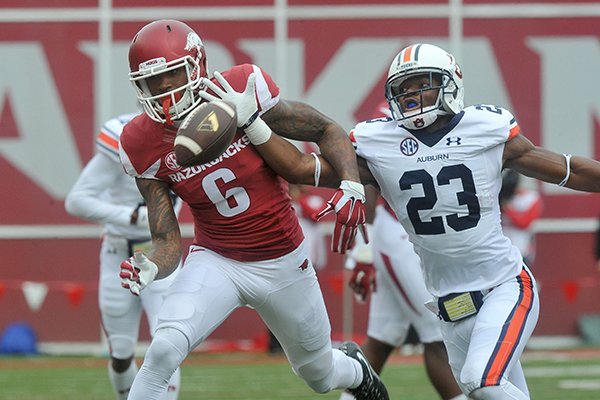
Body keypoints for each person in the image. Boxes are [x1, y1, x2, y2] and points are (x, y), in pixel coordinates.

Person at [250, 43, 600, 399]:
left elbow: (568, 169)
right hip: (450, 305)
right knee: (487, 389)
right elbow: (298, 167)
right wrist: (254, 124)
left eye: (421, 83)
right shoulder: (379, 142)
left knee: (484, 382)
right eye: (402, 89)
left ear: (450, 83)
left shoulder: (486, 129)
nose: (412, 96)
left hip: (503, 286)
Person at [117, 19, 388, 400]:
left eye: (172, 76)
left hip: (282, 260)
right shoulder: (139, 143)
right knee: (163, 349)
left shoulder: (240, 89)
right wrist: (152, 264)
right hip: (217, 259)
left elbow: (325, 129)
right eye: (152, 83)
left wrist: (350, 183)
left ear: (196, 66)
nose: (164, 91)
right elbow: (166, 240)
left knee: (319, 374)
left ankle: (356, 371)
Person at [338, 101, 465, 400]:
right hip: (398, 237)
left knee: (383, 337)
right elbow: (364, 180)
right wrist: (363, 251)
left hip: (414, 237)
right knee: (438, 333)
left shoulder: (450, 123)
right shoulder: (389, 122)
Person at [64, 113, 181, 400]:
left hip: (162, 251)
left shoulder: (193, 134)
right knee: (120, 351)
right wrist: (131, 216)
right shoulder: (123, 138)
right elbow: (76, 200)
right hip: (119, 252)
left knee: (167, 342)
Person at [499, 170, 542, 268]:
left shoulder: (531, 198)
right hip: (501, 249)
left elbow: (524, 223)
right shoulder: (500, 197)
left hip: (522, 249)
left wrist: (507, 208)